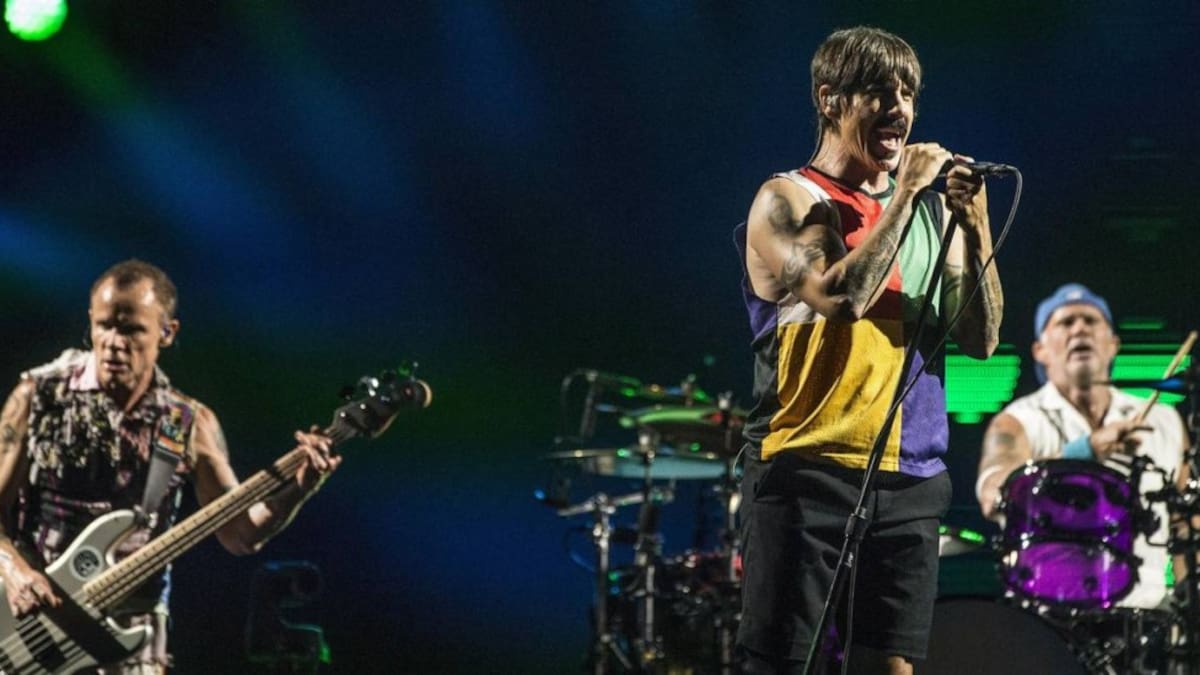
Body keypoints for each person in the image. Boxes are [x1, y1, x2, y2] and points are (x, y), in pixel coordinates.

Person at [734, 26, 1003, 675]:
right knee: (784, 664)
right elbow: (840, 298)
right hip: (808, 468)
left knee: (891, 665)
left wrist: (976, 225)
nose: (900, 109)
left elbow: (982, 339)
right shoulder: (787, 199)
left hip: (913, 477)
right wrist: (905, 193)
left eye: (908, 94)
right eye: (880, 92)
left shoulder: (934, 218)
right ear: (830, 100)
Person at [0, 259, 339, 674]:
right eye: (104, 326)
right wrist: (14, 571)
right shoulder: (38, 396)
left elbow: (241, 535)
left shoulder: (187, 423)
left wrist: (301, 487)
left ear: (167, 332)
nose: (114, 343)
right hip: (32, 625)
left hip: (133, 641)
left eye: (132, 330)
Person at [976, 283, 1187, 610]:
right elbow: (993, 495)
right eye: (1065, 322)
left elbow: (1185, 522)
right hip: (1048, 616)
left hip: (1146, 613)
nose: (1079, 329)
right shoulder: (1017, 422)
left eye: (1091, 320)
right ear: (1039, 350)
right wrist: (1085, 450)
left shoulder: (1164, 420)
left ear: (1114, 344)